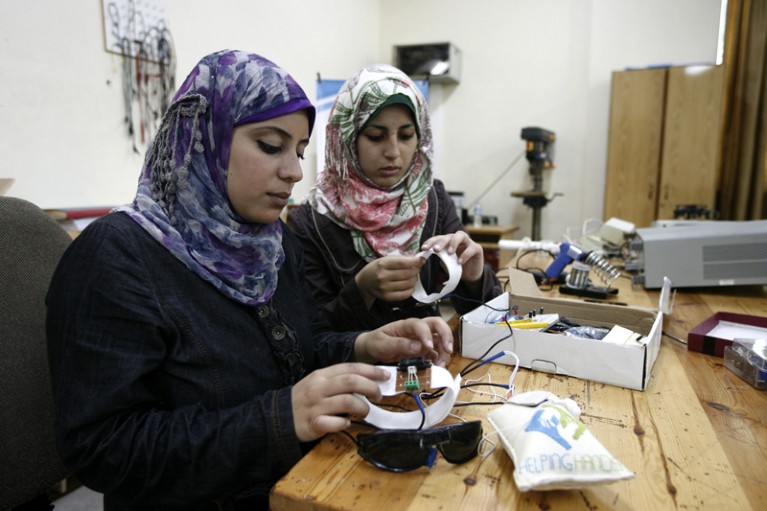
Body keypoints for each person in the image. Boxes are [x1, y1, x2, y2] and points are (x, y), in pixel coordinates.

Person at [45, 50, 452, 511]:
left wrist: (363, 346)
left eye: (299, 151)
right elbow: (102, 449)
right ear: (204, 137)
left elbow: (303, 346)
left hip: (302, 482)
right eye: (271, 145)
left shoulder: (272, 243)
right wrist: (279, 419)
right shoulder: (116, 257)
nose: (295, 171)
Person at [287, 64, 502, 332]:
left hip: (429, 363)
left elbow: (487, 319)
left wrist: (475, 278)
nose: (393, 151)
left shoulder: (431, 199)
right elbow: (311, 336)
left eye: (406, 136)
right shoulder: (311, 222)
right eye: (376, 137)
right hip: (356, 373)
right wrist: (361, 291)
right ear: (347, 140)